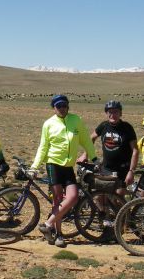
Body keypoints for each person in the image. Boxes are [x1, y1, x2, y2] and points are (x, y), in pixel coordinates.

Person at [31, 95, 97, 248]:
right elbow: (43, 147)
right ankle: (58, 234)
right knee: (58, 200)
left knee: (73, 197)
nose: (62, 109)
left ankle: (48, 224)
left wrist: (94, 157)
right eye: (58, 106)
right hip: (53, 164)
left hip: (68, 166)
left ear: (68, 106)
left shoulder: (76, 120)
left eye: (64, 105)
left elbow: (86, 140)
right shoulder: (48, 124)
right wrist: (35, 166)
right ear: (54, 108)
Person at [91, 100, 139, 193]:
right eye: (110, 112)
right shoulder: (103, 126)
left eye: (116, 112)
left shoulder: (127, 128)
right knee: (99, 196)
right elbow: (91, 138)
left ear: (120, 113)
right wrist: (86, 154)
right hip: (106, 169)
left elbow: (135, 151)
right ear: (106, 113)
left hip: (123, 171)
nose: (113, 115)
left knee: (118, 196)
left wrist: (131, 171)